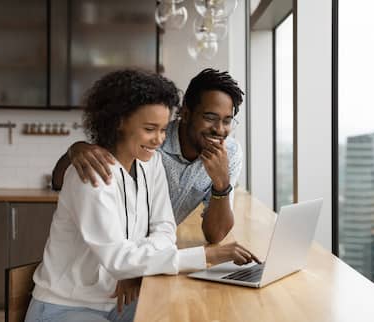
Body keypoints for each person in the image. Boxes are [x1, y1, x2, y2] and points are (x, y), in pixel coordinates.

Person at [25, 70, 257, 322]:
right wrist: (208, 256)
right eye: (150, 129)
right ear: (119, 121)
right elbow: (118, 259)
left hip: (119, 301)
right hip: (67, 306)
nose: (159, 139)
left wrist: (139, 267)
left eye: (162, 129)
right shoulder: (91, 173)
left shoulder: (150, 162)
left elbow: (165, 229)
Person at [52, 68, 244, 244]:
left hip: (149, 251)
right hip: (120, 249)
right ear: (185, 113)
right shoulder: (147, 144)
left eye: (227, 121)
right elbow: (59, 180)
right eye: (210, 118)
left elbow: (215, 235)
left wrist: (222, 185)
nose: (219, 129)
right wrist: (76, 149)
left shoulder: (230, 153)